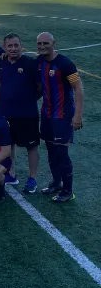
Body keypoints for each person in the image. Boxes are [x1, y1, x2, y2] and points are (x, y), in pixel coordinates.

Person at [36, 32, 84, 203]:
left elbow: (78, 88)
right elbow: (40, 87)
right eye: (39, 43)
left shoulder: (65, 63)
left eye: (45, 43)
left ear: (53, 43)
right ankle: (56, 183)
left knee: (61, 152)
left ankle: (68, 190)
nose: (42, 46)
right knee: (50, 150)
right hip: (47, 114)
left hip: (63, 115)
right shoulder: (39, 62)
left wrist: (78, 115)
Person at [0, 33, 41, 192]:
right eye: (10, 46)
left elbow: (40, 87)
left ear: (21, 46)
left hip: (27, 114)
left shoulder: (30, 63)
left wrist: (28, 99)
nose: (13, 48)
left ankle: (32, 178)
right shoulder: (1, 63)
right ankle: (11, 173)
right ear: (5, 47)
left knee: (32, 146)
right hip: (6, 112)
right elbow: (0, 82)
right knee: (9, 145)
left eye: (16, 45)